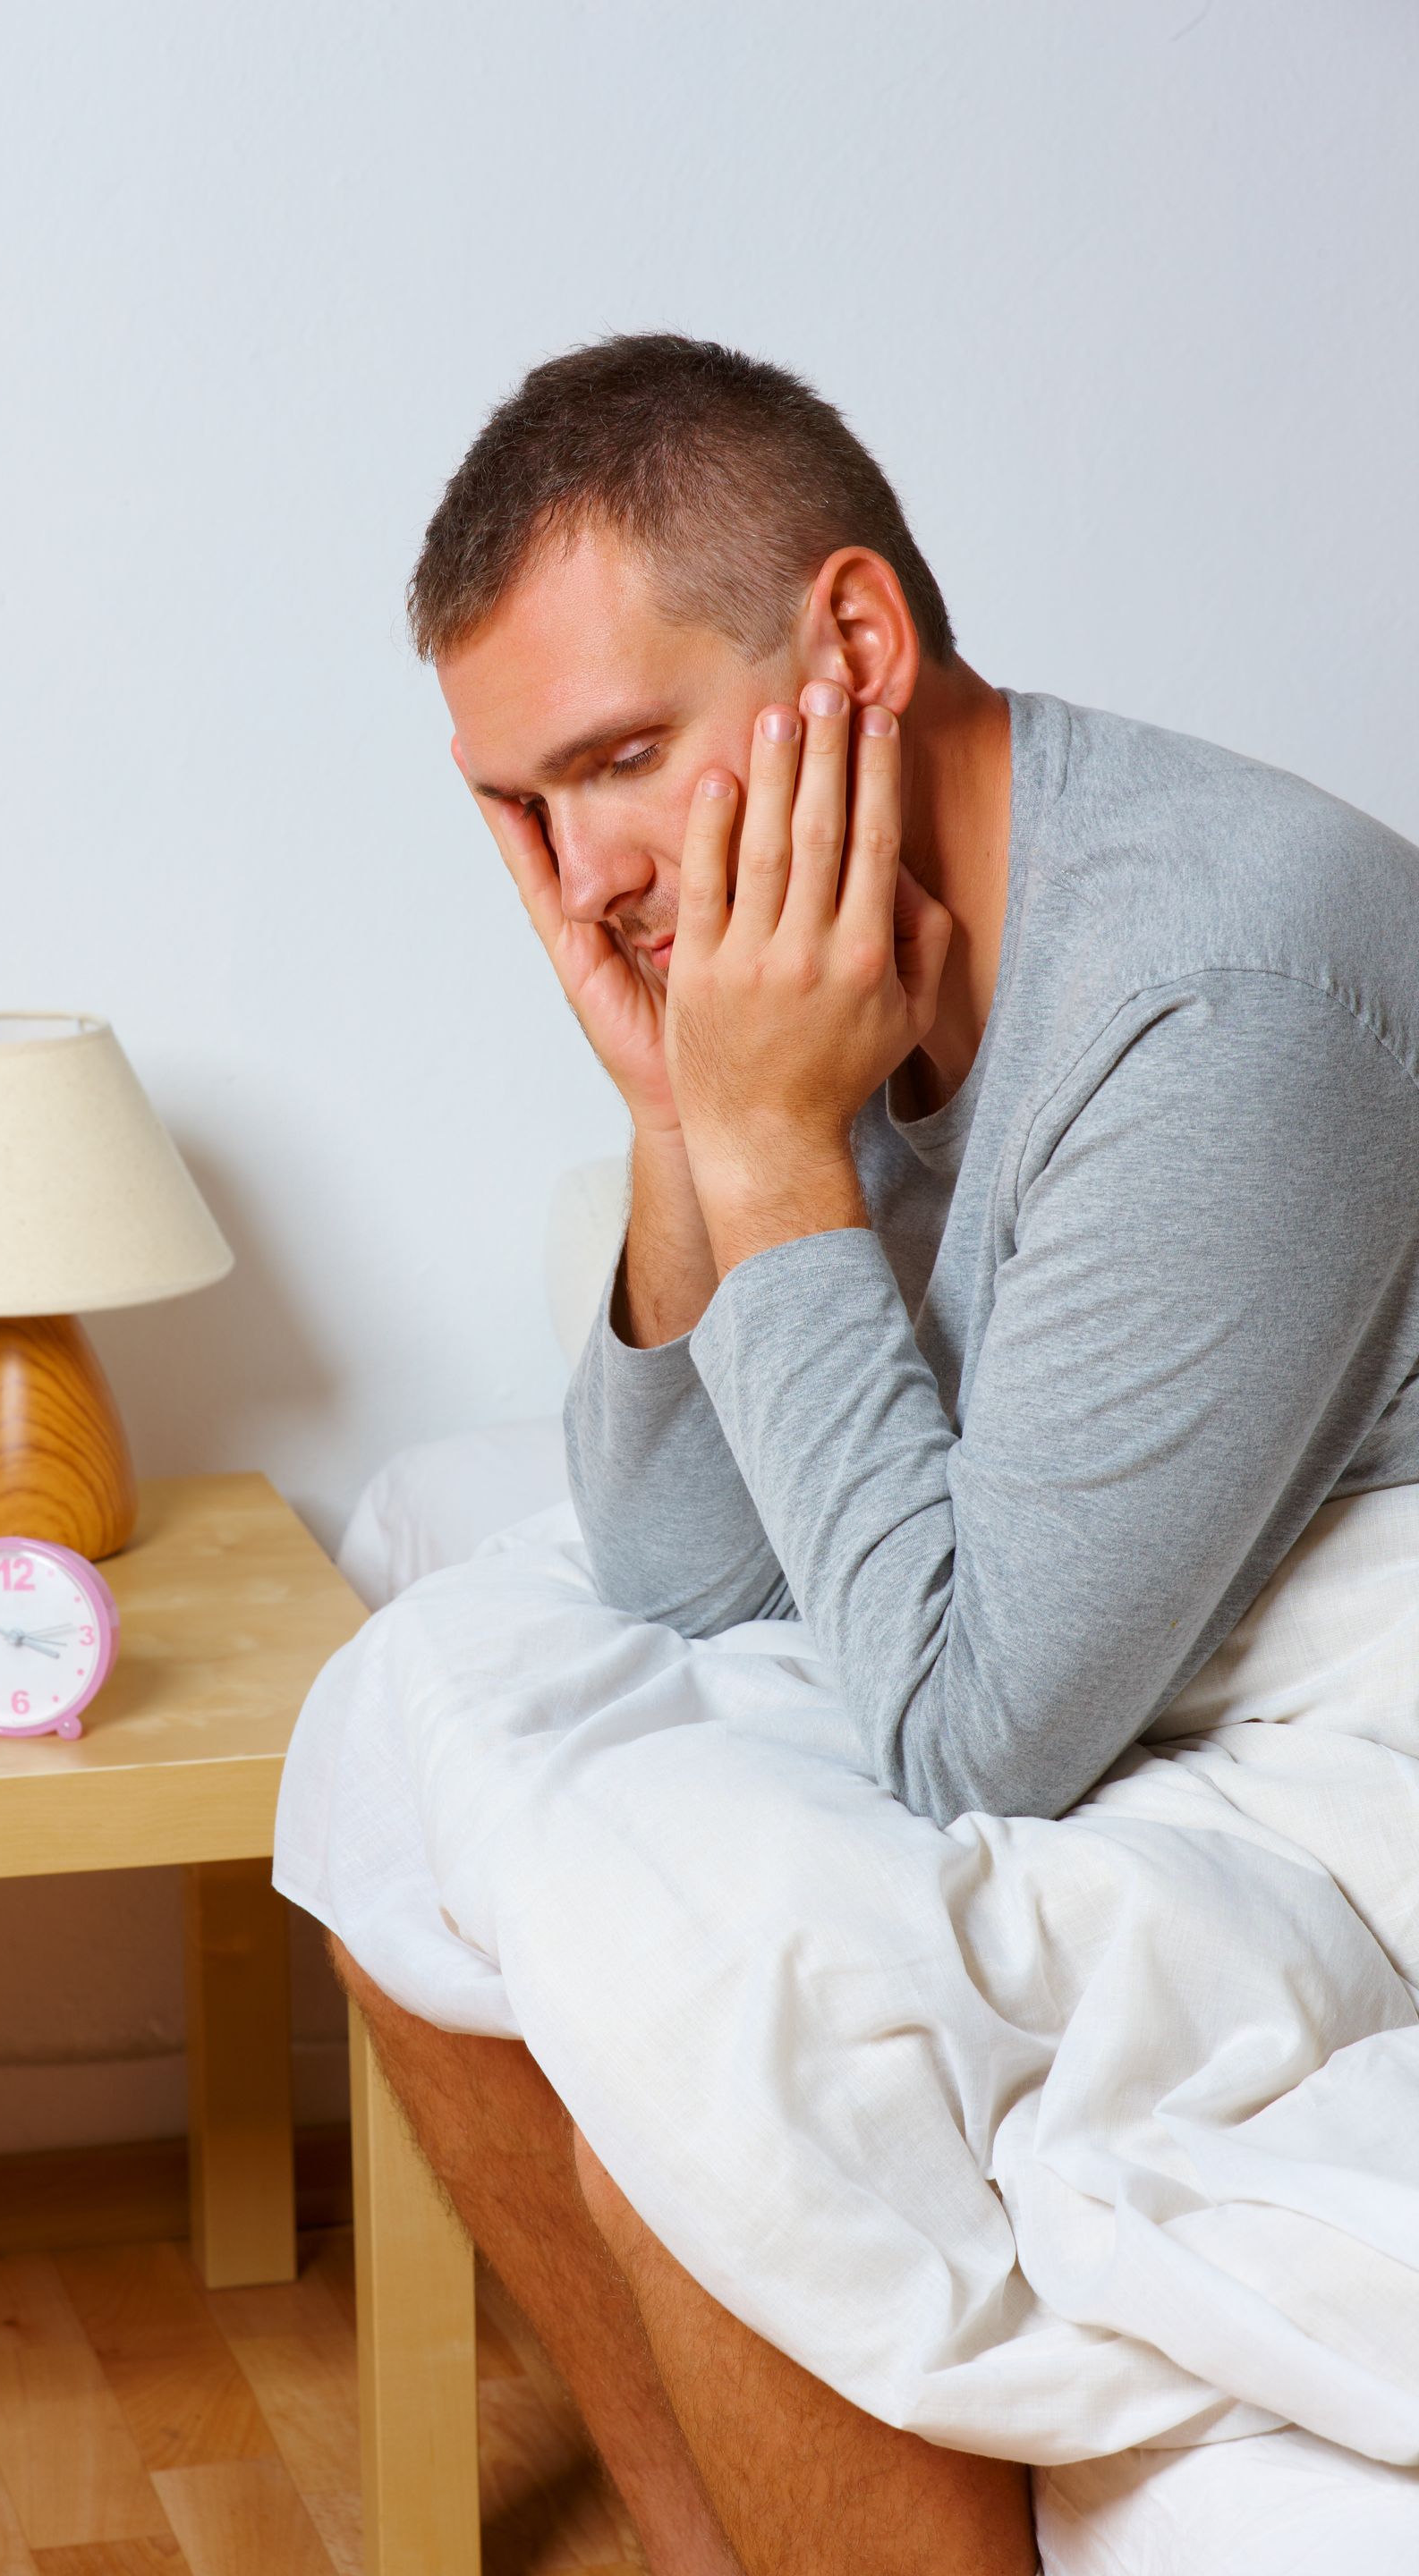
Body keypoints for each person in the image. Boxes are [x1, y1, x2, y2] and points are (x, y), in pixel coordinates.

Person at [274, 334, 1419, 2573]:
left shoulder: (1225, 983)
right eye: (526, 809)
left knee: (712, 2041)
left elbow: (975, 1732)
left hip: (1342, 1746)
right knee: (427, 1700)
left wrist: (776, 1134)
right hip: (1083, 1641)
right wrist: (673, 1118)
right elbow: (689, 1568)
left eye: (622, 758)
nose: (589, 870)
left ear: (859, 646)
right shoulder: (802, 937)